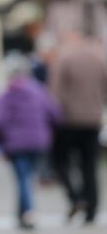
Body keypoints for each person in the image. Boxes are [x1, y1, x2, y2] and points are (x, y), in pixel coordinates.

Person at [0, 53, 60, 229]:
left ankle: (29, 212)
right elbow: (54, 113)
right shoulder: (38, 90)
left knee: (23, 178)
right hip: (38, 141)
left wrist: (0, 144)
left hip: (15, 144)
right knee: (26, 177)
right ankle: (21, 214)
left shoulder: (6, 94)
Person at [49, 29, 107, 223]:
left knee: (60, 161)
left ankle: (76, 197)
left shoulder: (63, 59)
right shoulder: (98, 60)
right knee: (89, 166)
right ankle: (91, 209)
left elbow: (55, 93)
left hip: (69, 121)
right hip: (92, 120)